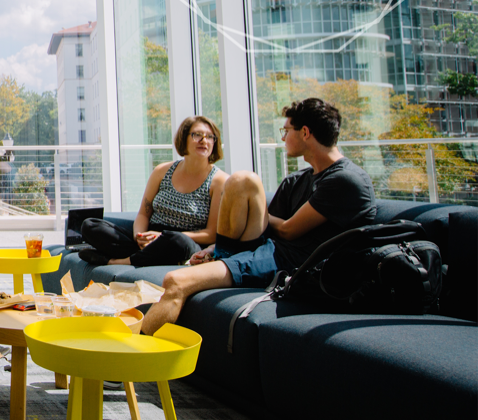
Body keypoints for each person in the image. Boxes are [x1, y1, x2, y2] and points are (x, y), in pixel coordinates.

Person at [140, 98, 377, 336]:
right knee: (242, 179)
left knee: (176, 281)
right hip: (270, 251)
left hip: (295, 265)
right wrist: (213, 247)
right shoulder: (297, 180)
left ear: (305, 132)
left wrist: (258, 203)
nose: (283, 138)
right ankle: (222, 254)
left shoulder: (345, 180)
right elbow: (268, 229)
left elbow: (287, 230)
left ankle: (135, 367)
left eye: (286, 130)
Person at [79, 116, 227, 267]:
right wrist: (139, 236)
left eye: (210, 137)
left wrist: (162, 237)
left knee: (176, 241)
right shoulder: (162, 171)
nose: (204, 140)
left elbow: (210, 234)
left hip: (183, 243)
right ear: (183, 138)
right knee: (89, 225)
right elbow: (144, 214)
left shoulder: (219, 181)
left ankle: (119, 261)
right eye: (197, 135)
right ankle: (145, 256)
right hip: (150, 239)